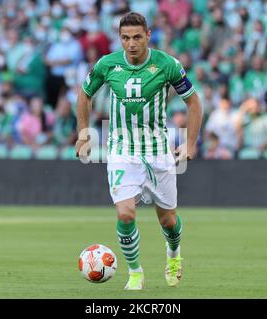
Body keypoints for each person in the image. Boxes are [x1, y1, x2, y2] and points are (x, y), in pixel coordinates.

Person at [75, 12, 202, 290]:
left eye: (136, 37)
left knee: (168, 220)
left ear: (148, 36)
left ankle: (174, 254)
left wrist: (190, 143)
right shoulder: (107, 65)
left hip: (158, 151)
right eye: (125, 38)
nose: (130, 44)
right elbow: (84, 95)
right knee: (125, 214)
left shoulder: (167, 65)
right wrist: (83, 133)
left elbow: (194, 103)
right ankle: (135, 272)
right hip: (122, 150)